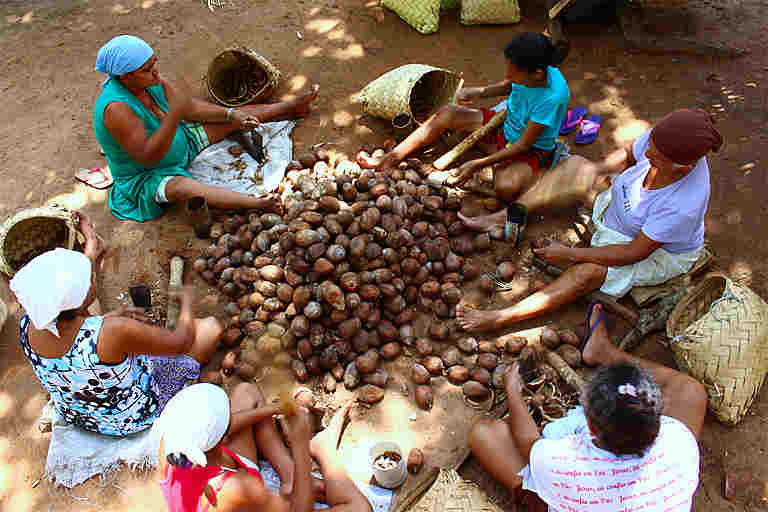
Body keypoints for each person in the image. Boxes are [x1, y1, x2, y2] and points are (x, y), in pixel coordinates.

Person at [457, 108, 723, 332]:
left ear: (684, 167)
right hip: (623, 208)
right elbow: (629, 155)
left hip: (652, 251)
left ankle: (500, 317)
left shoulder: (683, 204)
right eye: (651, 147)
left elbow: (633, 252)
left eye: (656, 157)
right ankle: (504, 217)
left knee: (588, 272)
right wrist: (592, 171)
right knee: (574, 166)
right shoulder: (664, 141)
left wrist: (573, 255)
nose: (649, 154)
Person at [468, 302, 707, 511]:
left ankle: (537, 502)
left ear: (590, 427)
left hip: (577, 491)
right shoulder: (679, 443)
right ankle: (603, 350)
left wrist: (513, 391)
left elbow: (530, 444)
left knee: (485, 433)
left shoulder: (568, 467)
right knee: (691, 392)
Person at [10, 212, 223, 436]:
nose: (94, 278)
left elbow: (70, 307)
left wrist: (91, 243)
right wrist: (187, 303)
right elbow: (180, 342)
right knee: (210, 329)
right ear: (80, 299)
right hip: (132, 417)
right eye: (90, 279)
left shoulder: (30, 321)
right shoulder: (112, 332)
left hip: (82, 414)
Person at [93, 35, 320, 222]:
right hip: (145, 176)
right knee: (183, 188)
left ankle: (291, 107)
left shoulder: (150, 81)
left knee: (231, 119)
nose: (156, 72)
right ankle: (257, 202)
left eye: (154, 64)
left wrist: (231, 114)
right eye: (147, 69)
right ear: (126, 76)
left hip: (183, 142)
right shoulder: (116, 109)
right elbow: (148, 157)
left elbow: (191, 108)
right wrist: (174, 115)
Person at [358, 32, 570, 204]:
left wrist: (479, 164)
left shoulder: (552, 97)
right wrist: (477, 92)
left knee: (506, 188)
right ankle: (391, 158)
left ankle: (531, 172)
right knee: (448, 113)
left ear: (537, 74)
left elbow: (524, 144)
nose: (508, 75)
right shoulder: (529, 71)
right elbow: (509, 85)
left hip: (528, 147)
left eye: (513, 72)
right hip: (505, 125)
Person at [155, 382, 372, 512]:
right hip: (237, 494)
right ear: (221, 439)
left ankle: (289, 478)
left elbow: (228, 425)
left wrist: (275, 408)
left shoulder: (172, 442)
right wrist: (300, 447)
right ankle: (324, 450)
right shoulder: (238, 488)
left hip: (219, 469)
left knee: (246, 391)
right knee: (360, 509)